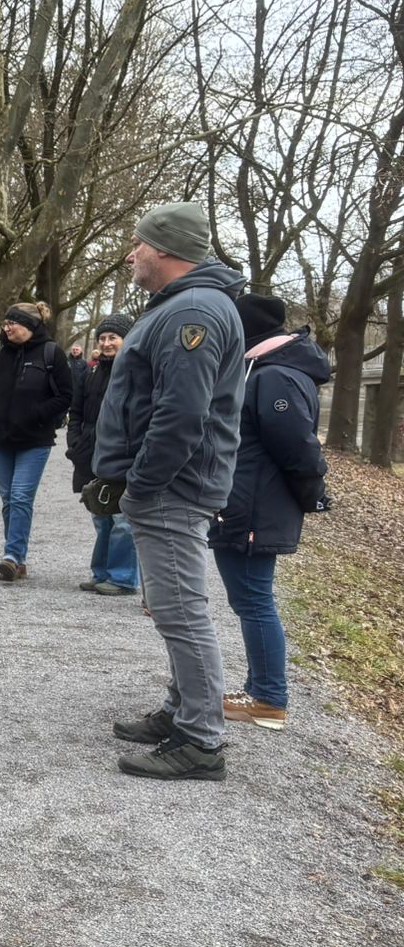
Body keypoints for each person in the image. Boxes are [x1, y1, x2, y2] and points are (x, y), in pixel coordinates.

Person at [87, 201, 247, 781]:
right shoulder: (184, 306)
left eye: (138, 244)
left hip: (170, 489)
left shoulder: (195, 312)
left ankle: (201, 742)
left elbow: (182, 415)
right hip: (168, 487)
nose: (131, 254)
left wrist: (141, 483)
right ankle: (182, 713)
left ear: (165, 249)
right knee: (174, 607)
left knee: (181, 613)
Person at [208, 293, 331, 732]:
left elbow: (298, 448)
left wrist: (312, 491)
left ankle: (268, 698)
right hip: (247, 501)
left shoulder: (274, 376)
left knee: (255, 600)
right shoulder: (262, 370)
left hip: (255, 506)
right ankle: (259, 690)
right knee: (250, 599)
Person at [0, 301, 72, 581]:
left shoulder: (52, 355)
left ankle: (12, 555)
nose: (6, 328)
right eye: (5, 324)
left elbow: (66, 395)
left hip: (35, 440)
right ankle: (18, 560)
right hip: (1, 440)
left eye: (11, 324)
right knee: (8, 499)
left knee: (20, 496)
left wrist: (37, 414)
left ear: (28, 325)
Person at [65, 313, 138, 596]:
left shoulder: (135, 371)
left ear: (126, 339)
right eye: (103, 338)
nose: (107, 343)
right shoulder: (91, 372)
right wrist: (76, 441)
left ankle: (122, 577)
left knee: (122, 517)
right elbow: (77, 411)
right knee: (99, 512)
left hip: (121, 451)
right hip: (91, 450)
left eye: (113, 338)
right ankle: (101, 572)